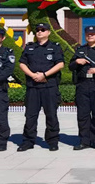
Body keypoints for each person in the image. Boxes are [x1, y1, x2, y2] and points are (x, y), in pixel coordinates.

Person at [17, 22, 65, 152]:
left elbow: (60, 64)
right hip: (33, 86)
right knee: (30, 115)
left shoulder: (55, 47)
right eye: (37, 30)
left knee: (51, 115)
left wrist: (44, 75)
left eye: (43, 30)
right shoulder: (29, 47)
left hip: (49, 86)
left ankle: (52, 141)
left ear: (48, 32)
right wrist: (33, 75)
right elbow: (22, 64)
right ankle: (28, 141)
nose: (39, 32)